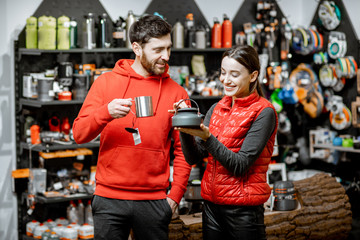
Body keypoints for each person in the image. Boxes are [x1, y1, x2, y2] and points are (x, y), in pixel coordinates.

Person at [72, 15, 192, 240]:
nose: (165, 57)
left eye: (168, 48)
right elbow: (79, 134)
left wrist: (175, 196)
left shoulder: (177, 93)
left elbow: (184, 150)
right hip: (109, 200)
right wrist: (105, 113)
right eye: (157, 50)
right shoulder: (106, 82)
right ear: (136, 48)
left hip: (154, 201)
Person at [171, 45, 278, 240]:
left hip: (243, 211)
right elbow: (193, 157)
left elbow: (240, 166)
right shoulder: (217, 108)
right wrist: (184, 129)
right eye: (223, 72)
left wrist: (208, 138)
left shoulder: (264, 112)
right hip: (211, 207)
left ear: (253, 76)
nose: (225, 80)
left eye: (234, 74)